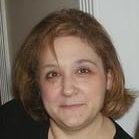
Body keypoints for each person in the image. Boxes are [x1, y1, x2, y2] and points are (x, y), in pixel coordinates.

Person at [0, 8, 135, 139]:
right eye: (53, 74)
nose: (68, 90)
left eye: (83, 71)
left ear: (109, 78)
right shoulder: (10, 120)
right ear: (37, 83)